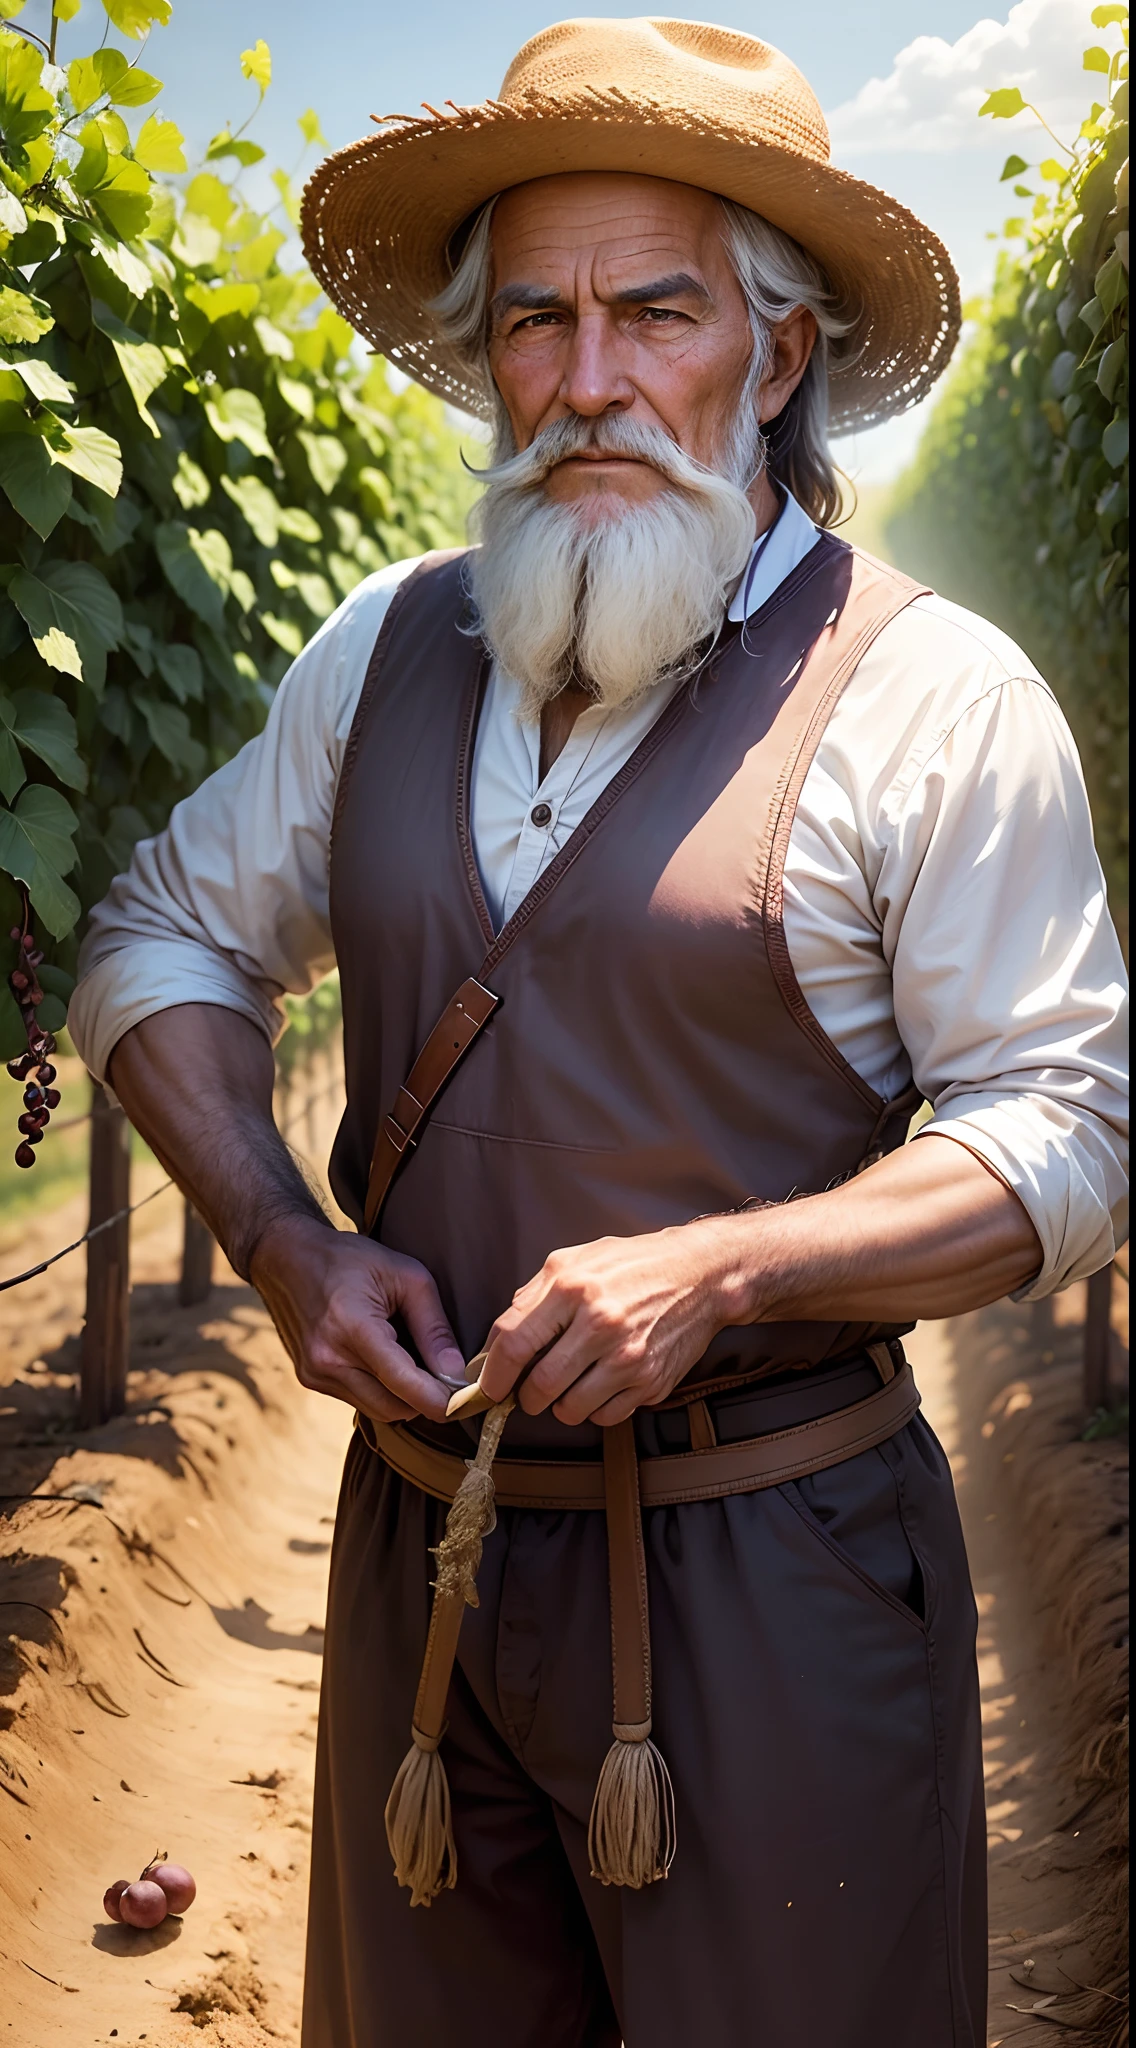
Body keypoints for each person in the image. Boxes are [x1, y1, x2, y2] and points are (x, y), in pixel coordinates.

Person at [69, 18, 1128, 2048]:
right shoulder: (379, 650)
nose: (587, 381)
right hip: (424, 1574)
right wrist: (280, 1238)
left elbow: (1066, 1126)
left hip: (780, 1584)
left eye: (655, 310)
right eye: (533, 322)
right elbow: (162, 938)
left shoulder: (928, 696)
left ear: (779, 350)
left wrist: (732, 1262)